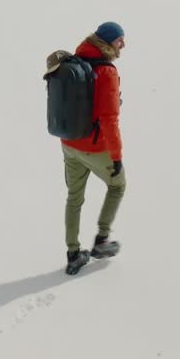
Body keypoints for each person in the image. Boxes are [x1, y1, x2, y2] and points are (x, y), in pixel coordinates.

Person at [60, 22, 126, 275]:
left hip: (69, 143)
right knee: (118, 185)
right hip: (94, 147)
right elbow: (109, 119)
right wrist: (117, 156)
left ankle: (73, 253)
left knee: (74, 197)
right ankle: (101, 241)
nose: (123, 45)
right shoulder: (107, 72)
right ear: (108, 42)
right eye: (120, 40)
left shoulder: (75, 61)